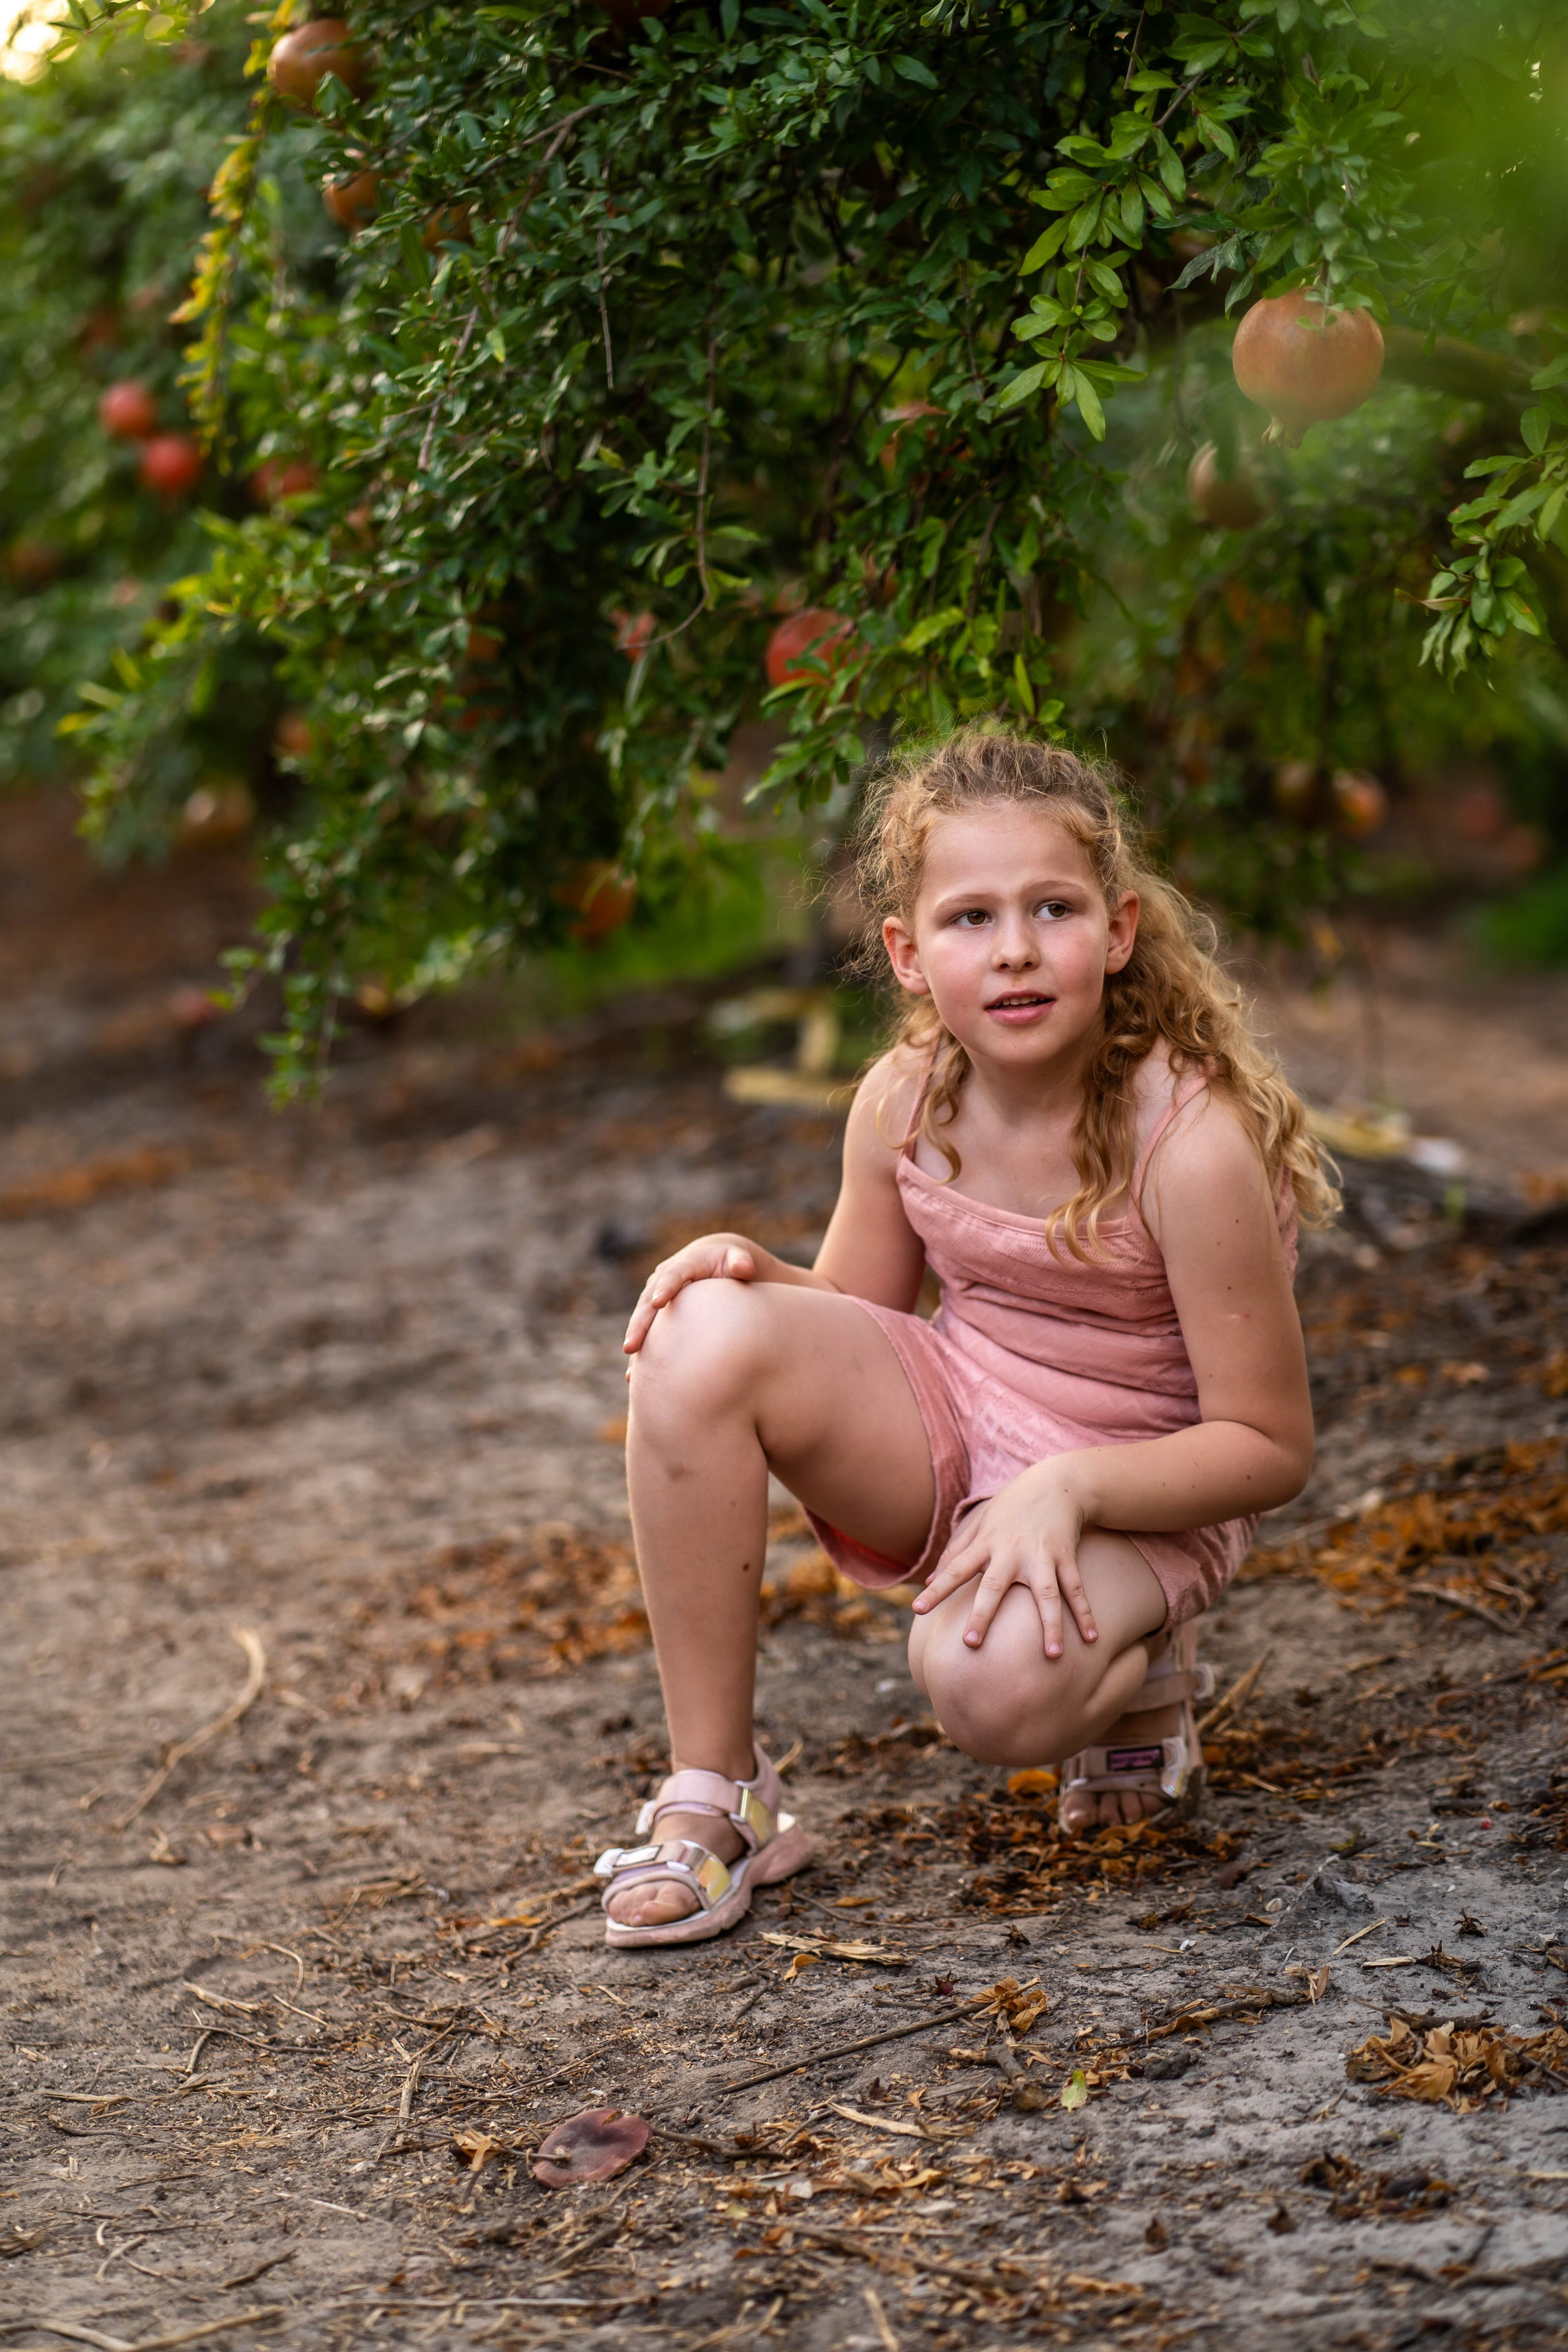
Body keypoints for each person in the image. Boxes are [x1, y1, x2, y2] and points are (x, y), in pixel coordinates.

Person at [595, 728, 1335, 1948]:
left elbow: (1267, 1445)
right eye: (969, 919)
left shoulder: (1187, 1144)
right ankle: (716, 1793)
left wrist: (1069, 1490)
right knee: (697, 1336)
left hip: (1145, 1471)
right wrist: (753, 1280)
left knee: (985, 1687)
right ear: (906, 951)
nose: (1012, 952)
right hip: (967, 1406)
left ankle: (1139, 1652)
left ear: (1117, 930)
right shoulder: (904, 1097)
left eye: (1050, 908)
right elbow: (867, 1322)